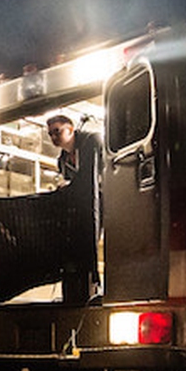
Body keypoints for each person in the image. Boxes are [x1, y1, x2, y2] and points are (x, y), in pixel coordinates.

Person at [46, 113, 104, 304]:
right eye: (50, 134)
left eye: (57, 131)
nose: (54, 137)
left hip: (106, 200)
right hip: (84, 210)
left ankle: (95, 284)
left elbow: (89, 178)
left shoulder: (91, 141)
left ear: (70, 129)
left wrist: (69, 187)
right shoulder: (62, 161)